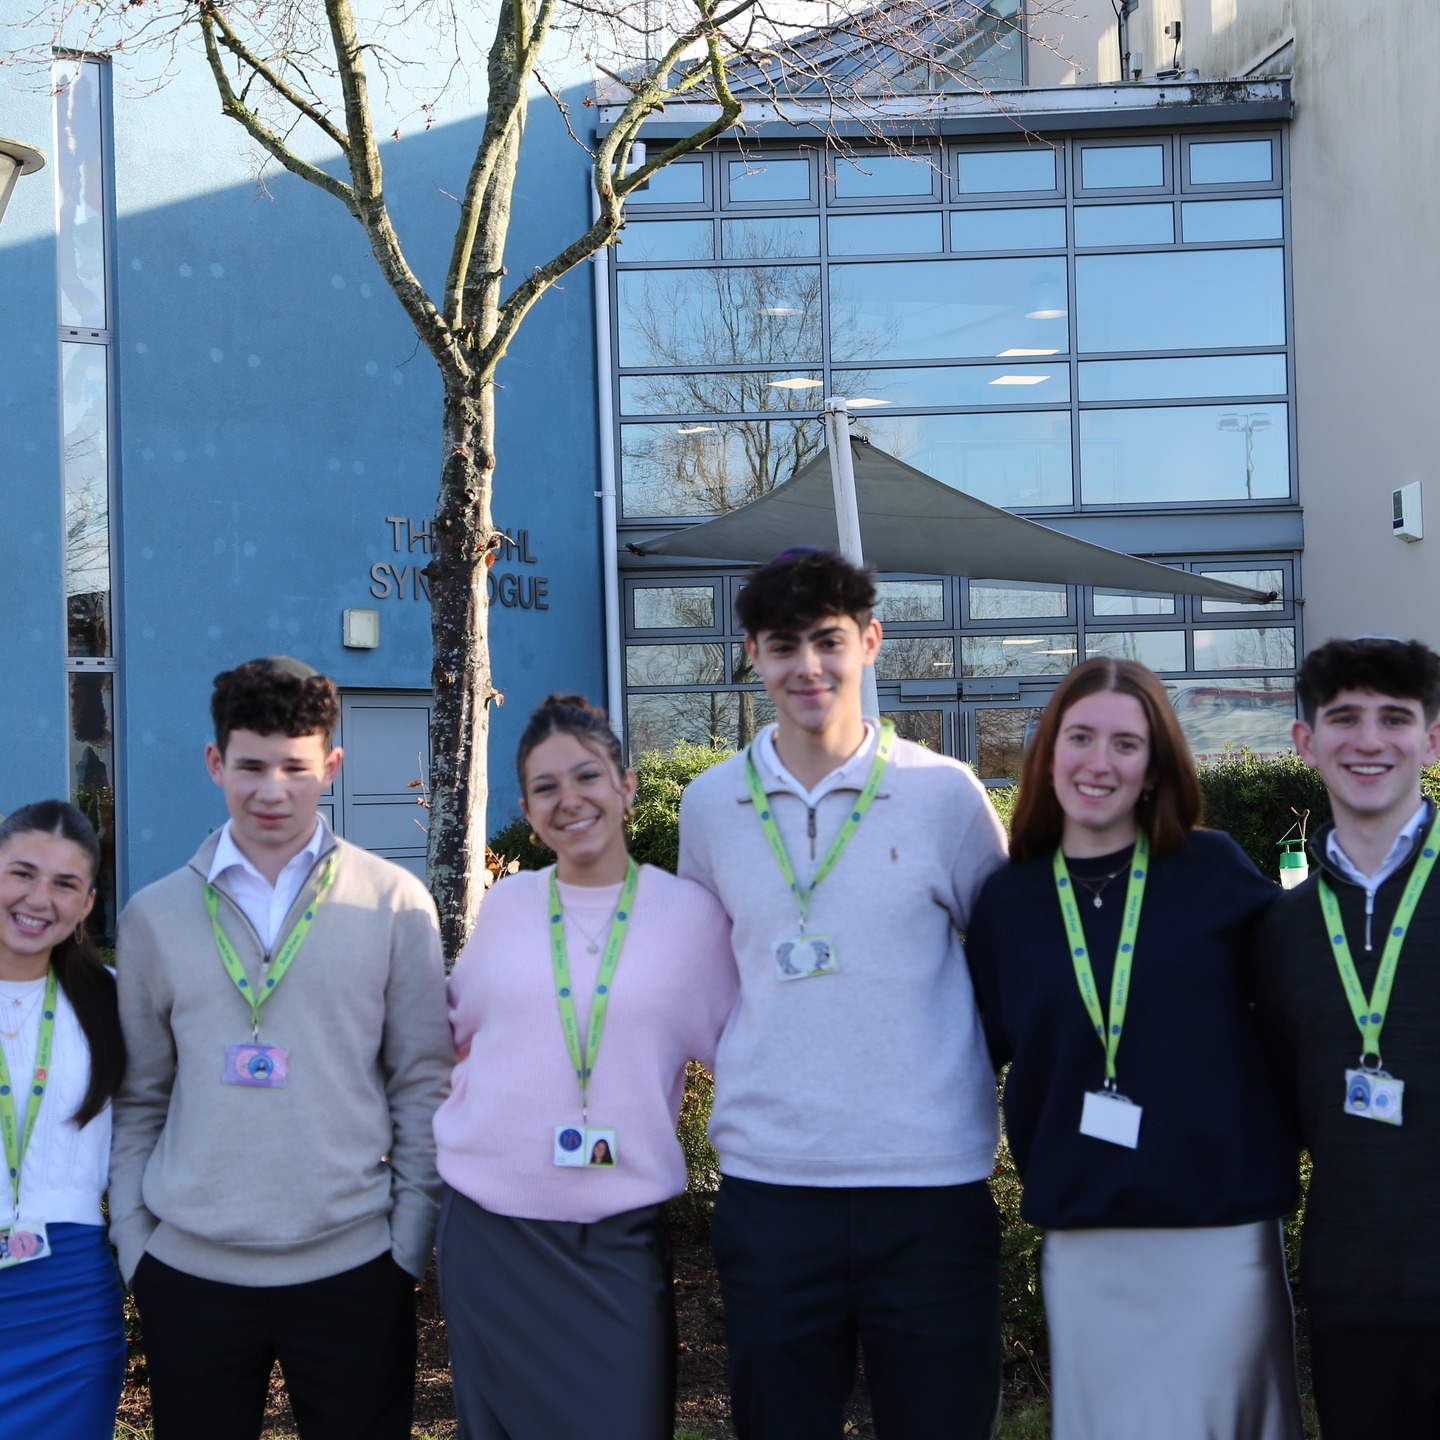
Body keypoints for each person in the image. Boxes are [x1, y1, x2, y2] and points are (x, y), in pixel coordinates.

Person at [677, 548, 1009, 1440]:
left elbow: (1009, 969)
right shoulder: (709, 806)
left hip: (930, 1186)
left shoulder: (945, 795)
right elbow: (705, 979)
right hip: (774, 1189)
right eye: (784, 645)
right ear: (753, 654)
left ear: (870, 641)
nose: (809, 667)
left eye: (827, 641)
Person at [110, 657, 452, 1440]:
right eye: (251, 766)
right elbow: (140, 1095)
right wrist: (136, 1242)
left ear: (331, 766)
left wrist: (406, 1244)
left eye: (295, 768)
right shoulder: (154, 916)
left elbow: (422, 1081)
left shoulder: (395, 904)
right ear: (215, 762)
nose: (272, 790)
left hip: (354, 1270)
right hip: (189, 1275)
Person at [967, 656, 1301, 1440]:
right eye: (1081, 737)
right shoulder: (1009, 901)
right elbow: (969, 1050)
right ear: (1049, 753)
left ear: (1155, 767)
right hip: (1087, 1234)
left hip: (1221, 1233)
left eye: (1126, 743)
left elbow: (1303, 1004)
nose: (1100, 761)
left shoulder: (1213, 870)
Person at [434, 693, 737, 1440]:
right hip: (490, 1236)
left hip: (615, 1241)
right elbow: (447, 1033)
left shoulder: (691, 919)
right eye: (546, 787)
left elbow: (748, 1060)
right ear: (528, 811)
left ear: (626, 786)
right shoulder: (508, 905)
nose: (569, 799)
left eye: (587, 776)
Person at [1249, 637, 1440, 1439]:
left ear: (1433, 739)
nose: (1369, 740)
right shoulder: (1280, 929)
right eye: (1345, 717)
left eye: (1394, 718)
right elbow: (1279, 1104)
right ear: (1306, 740)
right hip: (1352, 1291)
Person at [0, 800, 126, 1438]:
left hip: (69, 1302)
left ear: (87, 904)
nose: (38, 899)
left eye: (64, 883)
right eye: (22, 873)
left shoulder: (116, 1001)